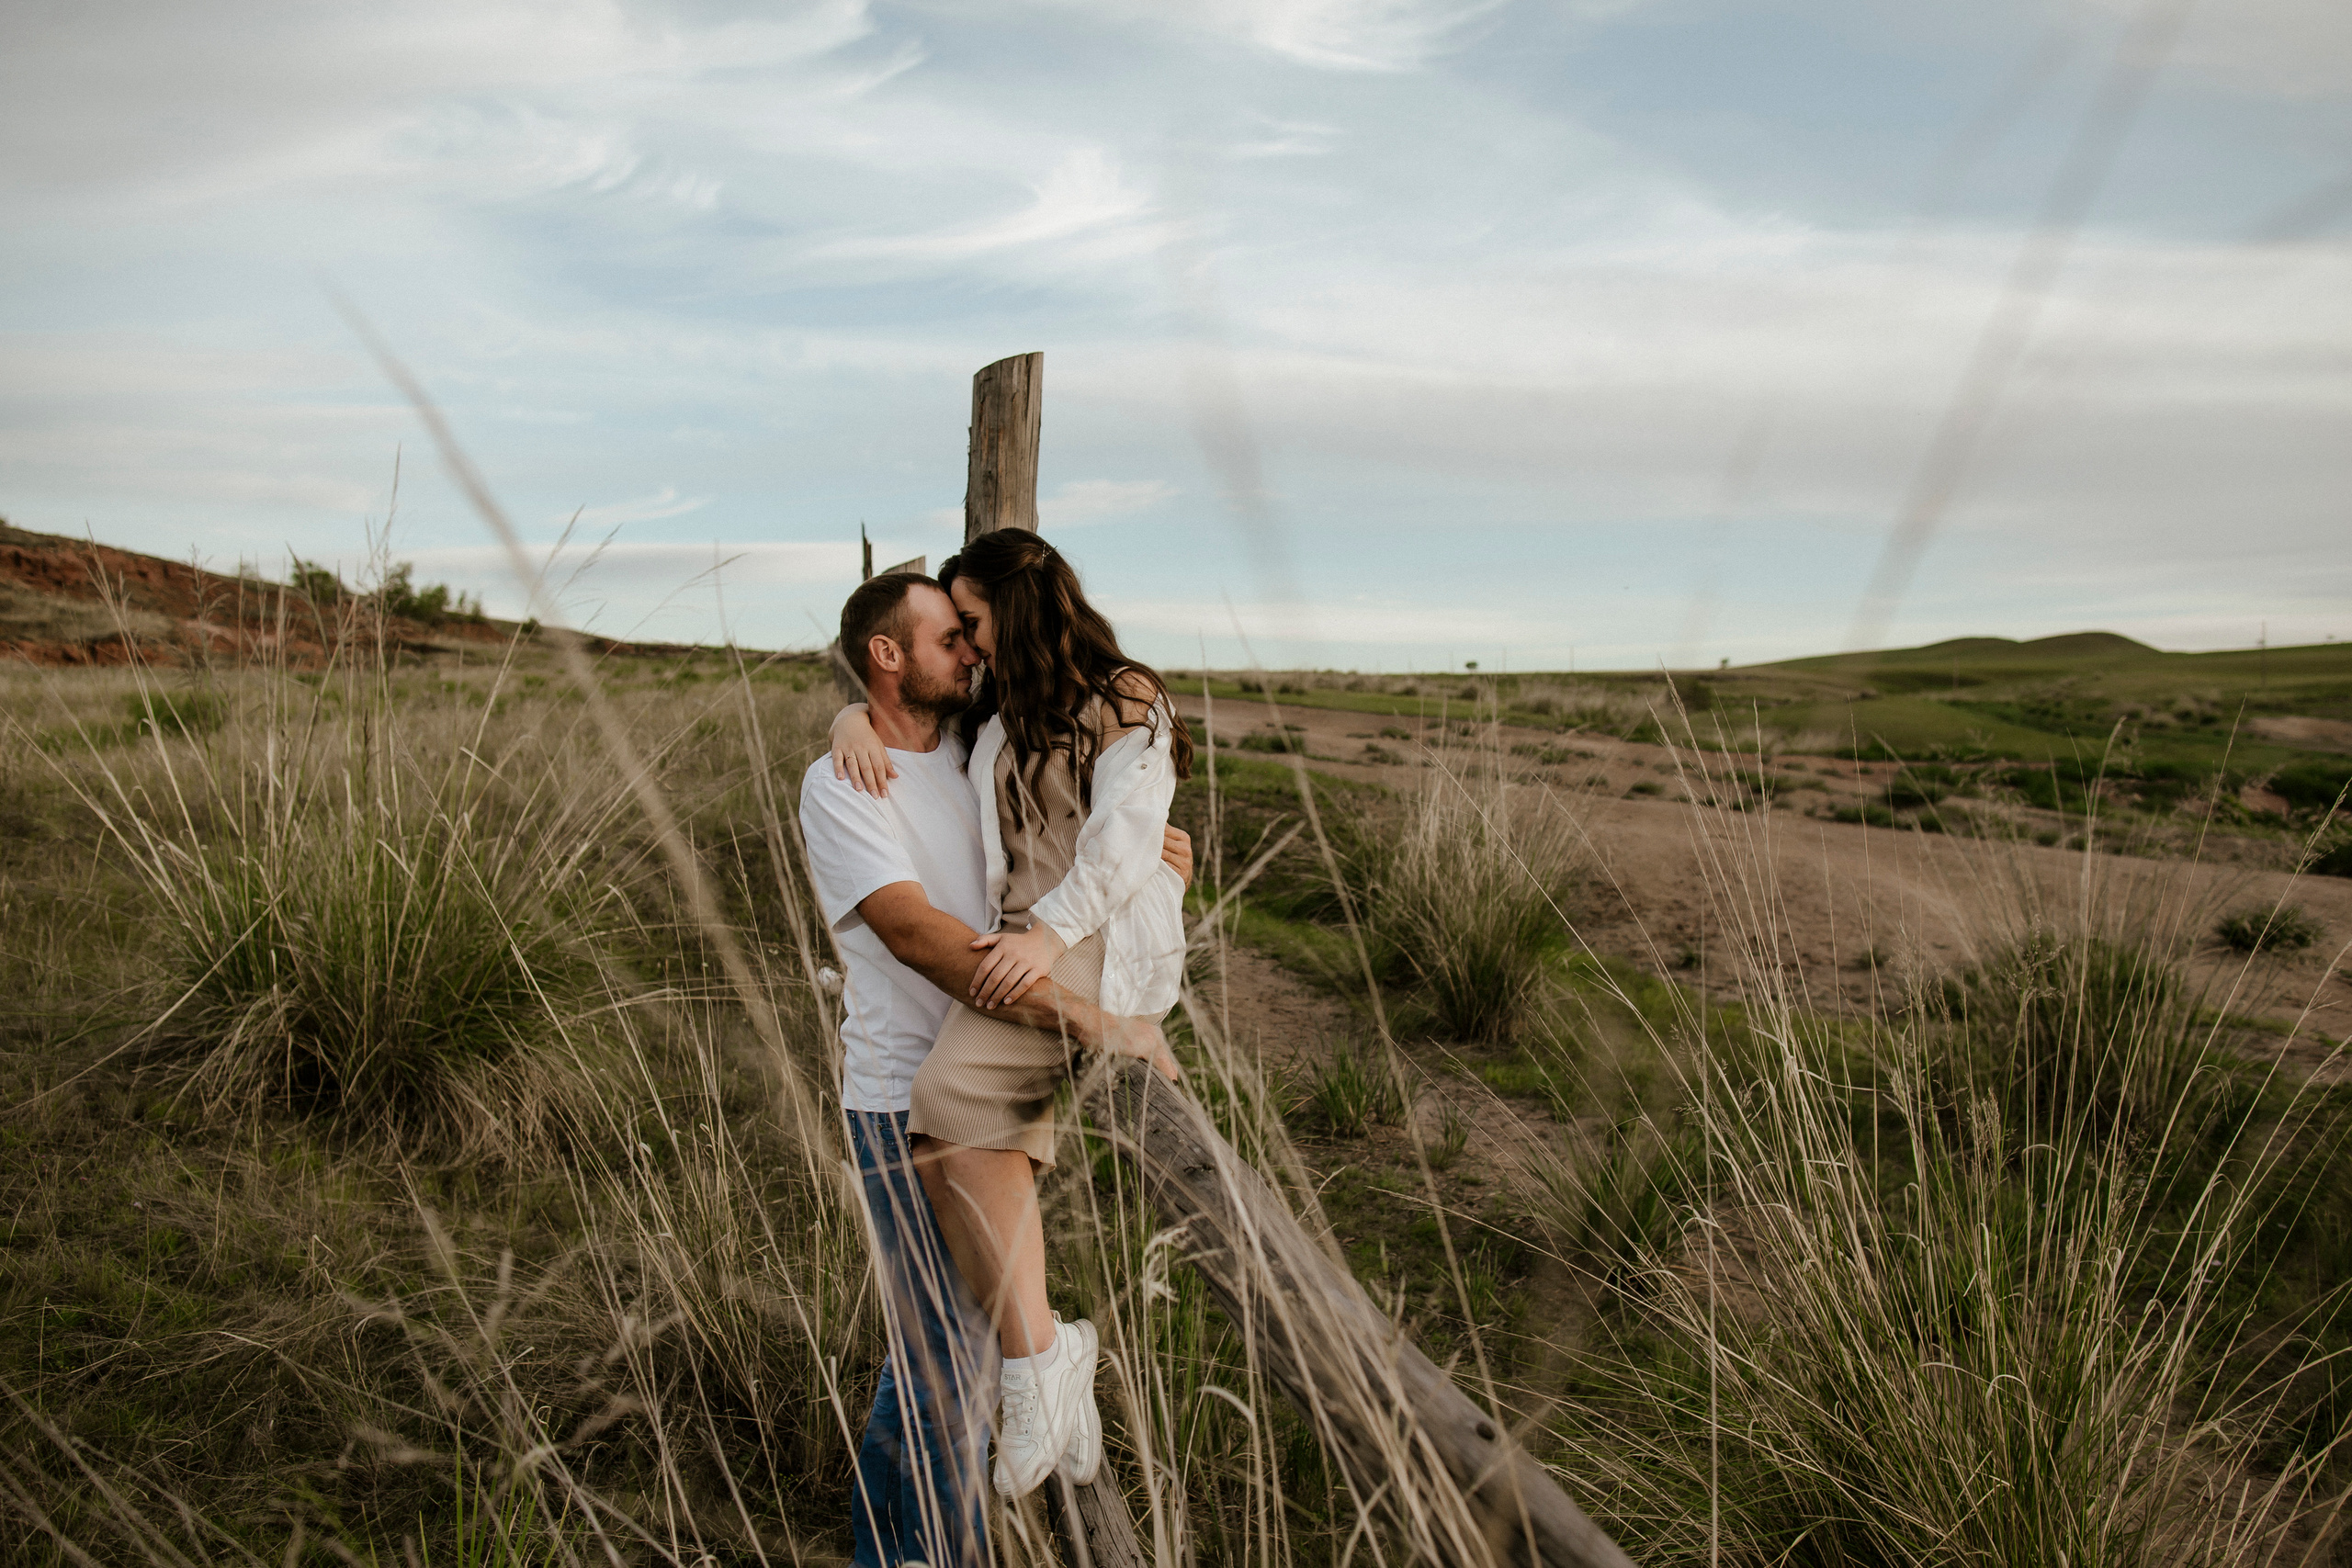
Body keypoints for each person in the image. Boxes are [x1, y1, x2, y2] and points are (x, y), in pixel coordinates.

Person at [798, 569, 1190, 1568]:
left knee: (962, 1346)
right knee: (942, 1364)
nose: (971, 653)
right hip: (901, 1098)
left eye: (970, 635)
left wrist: (1153, 872)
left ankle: (1041, 1380)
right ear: (888, 658)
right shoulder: (842, 781)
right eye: (947, 639)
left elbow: (1073, 832)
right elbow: (922, 940)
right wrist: (1093, 1021)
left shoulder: (975, 746)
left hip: (997, 1081)